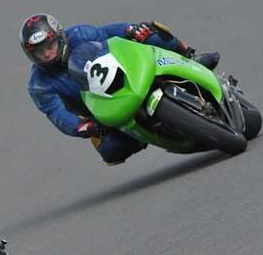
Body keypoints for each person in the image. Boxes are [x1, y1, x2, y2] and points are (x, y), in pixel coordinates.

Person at [20, 14, 221, 164]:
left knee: (151, 32)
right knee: (111, 153)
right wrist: (84, 127)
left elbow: (107, 32)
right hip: (101, 111)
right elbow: (58, 115)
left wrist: (131, 30)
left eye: (50, 46)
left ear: (60, 37)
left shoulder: (79, 34)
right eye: (39, 51)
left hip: (123, 72)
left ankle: (189, 58)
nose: (46, 54)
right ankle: (145, 135)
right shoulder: (39, 85)